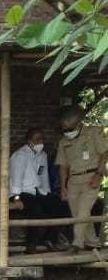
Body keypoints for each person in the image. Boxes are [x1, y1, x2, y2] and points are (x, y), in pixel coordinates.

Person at [9, 128, 71, 253]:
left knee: (61, 206)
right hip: (21, 192)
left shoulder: (43, 155)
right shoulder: (20, 155)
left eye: (42, 139)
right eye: (37, 139)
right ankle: (31, 245)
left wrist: (47, 194)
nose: (41, 142)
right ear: (29, 141)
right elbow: (15, 179)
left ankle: (49, 238)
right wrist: (16, 198)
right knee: (35, 210)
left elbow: (43, 177)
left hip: (38, 191)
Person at [56, 105, 108, 250]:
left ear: (79, 123)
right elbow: (62, 166)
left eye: (70, 128)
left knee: (84, 210)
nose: (67, 132)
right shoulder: (63, 142)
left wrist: (98, 175)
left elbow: (104, 154)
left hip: (91, 177)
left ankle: (77, 243)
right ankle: (92, 243)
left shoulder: (93, 132)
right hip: (73, 180)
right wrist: (63, 187)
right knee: (78, 214)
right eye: (64, 129)